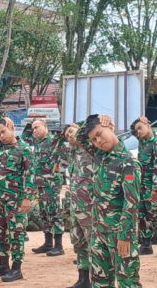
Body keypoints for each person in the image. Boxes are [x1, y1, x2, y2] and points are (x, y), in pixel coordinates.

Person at [78, 114, 141, 288]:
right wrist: (95, 118)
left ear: (110, 127)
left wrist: (125, 236)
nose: (98, 141)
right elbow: (78, 136)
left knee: (127, 282)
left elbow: (131, 203)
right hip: (98, 232)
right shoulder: (99, 155)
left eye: (100, 134)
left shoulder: (128, 163)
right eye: (94, 139)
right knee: (99, 281)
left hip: (119, 234)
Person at [0, 117, 34, 283]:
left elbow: (30, 174)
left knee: (16, 233)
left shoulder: (24, 149)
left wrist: (27, 198)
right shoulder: (0, 146)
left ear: (12, 128)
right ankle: (3, 264)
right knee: (0, 233)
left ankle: (16, 268)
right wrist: (1, 120)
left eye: (3, 131)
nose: (1, 135)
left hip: (16, 200)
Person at [25, 119, 69, 256]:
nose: (34, 130)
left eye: (37, 127)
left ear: (45, 127)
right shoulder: (37, 142)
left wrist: (59, 168)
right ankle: (48, 243)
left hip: (51, 182)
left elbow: (66, 156)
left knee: (54, 211)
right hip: (40, 182)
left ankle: (59, 245)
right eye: (33, 129)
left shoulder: (54, 141)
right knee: (44, 212)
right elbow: (24, 136)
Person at [131, 117, 157, 258]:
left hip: (151, 185)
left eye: (140, 128)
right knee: (141, 215)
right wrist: (137, 120)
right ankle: (146, 244)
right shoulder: (142, 141)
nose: (138, 132)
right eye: (137, 130)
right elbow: (132, 129)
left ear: (148, 124)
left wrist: (156, 188)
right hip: (140, 184)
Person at [67, 121, 95, 288]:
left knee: (93, 244)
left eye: (71, 132)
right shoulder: (74, 152)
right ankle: (83, 278)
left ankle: (96, 279)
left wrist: (79, 127)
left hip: (90, 206)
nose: (69, 136)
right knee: (79, 243)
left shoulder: (91, 148)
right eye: (67, 135)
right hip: (76, 206)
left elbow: (90, 128)